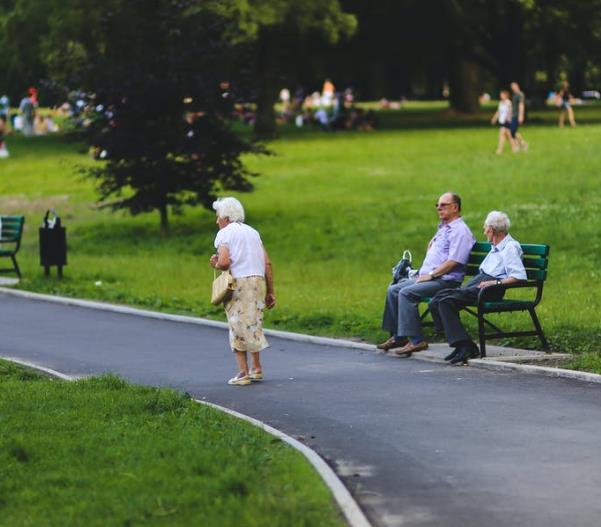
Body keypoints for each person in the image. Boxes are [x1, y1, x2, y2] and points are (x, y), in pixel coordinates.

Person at [378, 192, 476, 356]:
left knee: (406, 293)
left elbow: (454, 261)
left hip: (445, 281)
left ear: (455, 207)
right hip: (430, 277)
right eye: (437, 205)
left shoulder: (460, 231)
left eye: (443, 205)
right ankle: (399, 336)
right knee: (393, 289)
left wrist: (431, 275)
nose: (439, 208)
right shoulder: (444, 229)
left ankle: (417, 340)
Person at [428, 211, 527, 365]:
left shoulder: (510, 247)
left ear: (492, 230)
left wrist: (495, 283)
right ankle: (461, 344)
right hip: (480, 282)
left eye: (485, 228)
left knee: (446, 302)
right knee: (437, 299)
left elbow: (518, 276)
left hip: (491, 289)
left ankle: (465, 346)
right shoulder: (496, 246)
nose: (484, 231)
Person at [210, 197, 276, 386]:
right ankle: (257, 368)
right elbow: (268, 263)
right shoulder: (253, 233)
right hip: (257, 282)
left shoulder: (224, 234)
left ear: (226, 216)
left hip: (239, 284)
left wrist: (216, 263)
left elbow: (223, 262)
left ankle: (243, 373)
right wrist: (271, 291)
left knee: (237, 324)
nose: (216, 221)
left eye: (218, 217)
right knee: (253, 323)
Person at [490, 90, 514, 154]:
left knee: (502, 135)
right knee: (508, 135)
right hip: (502, 120)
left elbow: (510, 111)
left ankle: (500, 149)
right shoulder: (500, 103)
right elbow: (498, 111)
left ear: (505, 95)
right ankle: (514, 147)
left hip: (506, 121)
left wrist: (508, 118)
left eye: (502, 95)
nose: (501, 96)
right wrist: (494, 118)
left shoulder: (508, 102)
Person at [510, 82, 528, 151]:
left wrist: (521, 115)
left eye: (514, 86)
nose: (512, 88)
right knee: (513, 131)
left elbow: (521, 105)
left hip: (517, 115)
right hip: (513, 115)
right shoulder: (514, 95)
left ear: (517, 86)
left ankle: (523, 144)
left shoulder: (520, 94)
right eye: (512, 87)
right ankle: (519, 145)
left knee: (513, 131)